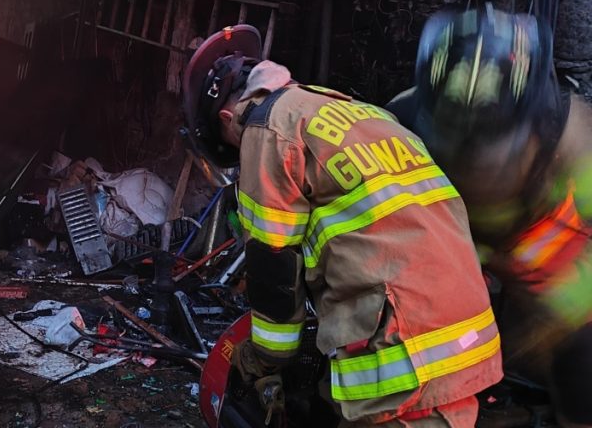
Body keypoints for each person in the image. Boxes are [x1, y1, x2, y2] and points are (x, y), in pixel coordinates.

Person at [182, 24, 502, 427]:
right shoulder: (362, 112)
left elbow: (273, 269)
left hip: (403, 351)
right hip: (467, 330)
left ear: (227, 118)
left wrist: (260, 360)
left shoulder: (266, 128)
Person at [387, 4, 592, 427]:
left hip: (541, 252)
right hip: (455, 242)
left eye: (490, 150)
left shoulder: (573, 137)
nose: (474, 163)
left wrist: (560, 315)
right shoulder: (399, 123)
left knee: (584, 355)